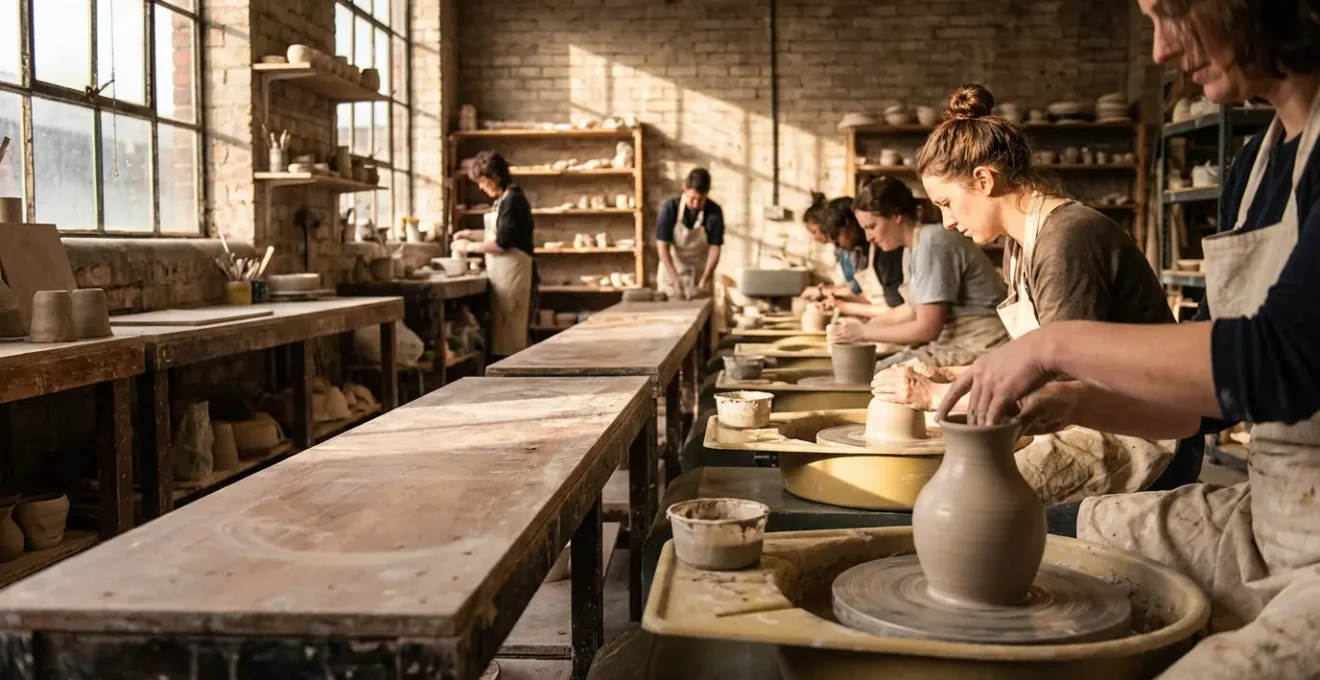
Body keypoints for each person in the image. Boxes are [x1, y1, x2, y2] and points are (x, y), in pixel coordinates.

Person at [936, 1, 1320, 675]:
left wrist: (1054, 350)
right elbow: (1212, 406)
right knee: (1037, 543)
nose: (1161, 50)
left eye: (1172, 10)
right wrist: (1076, 402)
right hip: (1269, 509)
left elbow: (1280, 360)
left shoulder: (1070, 234)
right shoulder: (1254, 168)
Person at [871, 83, 1196, 504]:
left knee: (966, 498)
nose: (946, 222)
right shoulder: (1021, 244)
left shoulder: (1067, 239)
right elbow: (1033, 365)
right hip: (1082, 414)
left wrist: (935, 396)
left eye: (947, 203)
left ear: (984, 180)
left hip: (1144, 434)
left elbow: (1062, 388)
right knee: (937, 476)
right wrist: (952, 375)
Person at [831, 176, 1009, 369]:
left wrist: (863, 332)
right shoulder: (912, 248)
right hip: (953, 342)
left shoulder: (932, 243)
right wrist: (861, 327)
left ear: (895, 216)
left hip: (982, 345)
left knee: (875, 374)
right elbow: (911, 310)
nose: (868, 237)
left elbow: (927, 329)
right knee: (871, 369)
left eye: (872, 226)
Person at [452, 151, 536, 358]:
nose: (480, 187)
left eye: (482, 181)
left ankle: (515, 385)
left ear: (495, 177)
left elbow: (502, 243)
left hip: (513, 274)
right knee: (503, 337)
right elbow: (500, 231)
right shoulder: (503, 199)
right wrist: (470, 234)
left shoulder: (514, 200)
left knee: (512, 340)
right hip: (503, 275)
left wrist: (468, 247)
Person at [800, 193, 906, 308]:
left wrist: (840, 305)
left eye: (835, 236)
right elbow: (867, 297)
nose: (836, 244)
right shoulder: (860, 253)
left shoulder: (885, 251)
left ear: (850, 226)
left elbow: (893, 306)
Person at [657, 168, 722, 300]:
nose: (696, 204)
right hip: (672, 271)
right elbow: (662, 247)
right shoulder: (669, 208)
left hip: (700, 274)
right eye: (692, 198)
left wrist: (705, 278)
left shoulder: (714, 212)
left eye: (700, 199)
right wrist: (675, 279)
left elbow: (715, 248)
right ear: (684, 188)